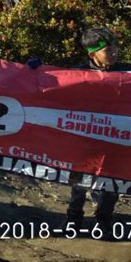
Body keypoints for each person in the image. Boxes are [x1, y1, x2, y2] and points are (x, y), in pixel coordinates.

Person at [63, 27, 129, 237]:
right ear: (93, 54)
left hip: (116, 140)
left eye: (115, 47)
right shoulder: (78, 74)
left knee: (113, 181)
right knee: (79, 182)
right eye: (108, 50)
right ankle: (74, 218)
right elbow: (52, 86)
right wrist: (33, 71)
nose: (114, 52)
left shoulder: (126, 72)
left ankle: (104, 219)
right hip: (85, 140)